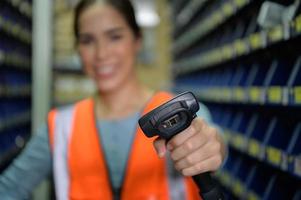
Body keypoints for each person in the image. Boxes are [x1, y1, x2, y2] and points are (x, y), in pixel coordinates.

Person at [0, 0, 227, 199]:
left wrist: (213, 146)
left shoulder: (180, 113)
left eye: (114, 37)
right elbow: (9, 188)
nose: (101, 54)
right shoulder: (60, 128)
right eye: (88, 41)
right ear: (78, 49)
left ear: (137, 40)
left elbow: (211, 141)